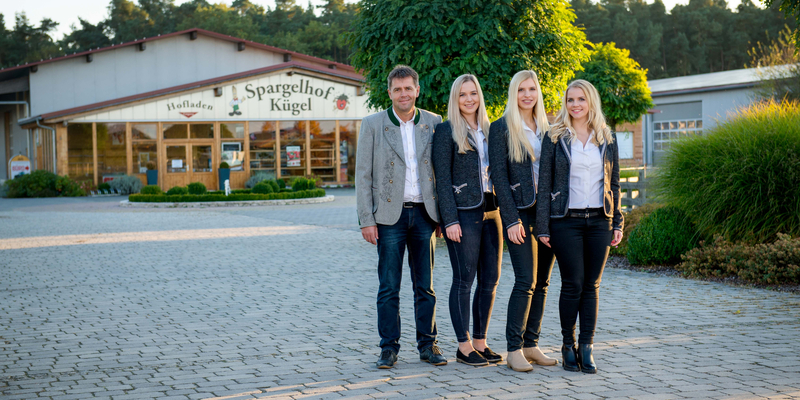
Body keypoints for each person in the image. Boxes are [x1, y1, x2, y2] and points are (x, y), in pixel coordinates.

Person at [355, 65, 447, 369]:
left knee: (425, 286)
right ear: (389, 92)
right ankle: (389, 348)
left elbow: (443, 173)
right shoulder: (372, 124)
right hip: (389, 217)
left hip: (424, 214)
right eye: (397, 89)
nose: (403, 94)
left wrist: (444, 217)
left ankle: (427, 344)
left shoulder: (434, 123)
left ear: (417, 90)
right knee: (388, 286)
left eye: (408, 88)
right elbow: (362, 175)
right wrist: (366, 219)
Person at [535, 79, 624, 374]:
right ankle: (566, 345)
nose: (575, 105)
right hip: (566, 221)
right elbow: (545, 182)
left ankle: (587, 346)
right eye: (570, 100)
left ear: (591, 102)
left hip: (600, 221)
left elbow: (614, 183)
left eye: (581, 100)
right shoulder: (555, 137)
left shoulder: (606, 137)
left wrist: (618, 221)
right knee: (573, 283)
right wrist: (543, 226)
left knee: (592, 285)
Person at [488, 70, 559, 372]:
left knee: (542, 282)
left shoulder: (549, 128)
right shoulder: (500, 128)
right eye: (521, 90)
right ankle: (513, 348)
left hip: (548, 214)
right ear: (513, 94)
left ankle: (531, 344)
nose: (527, 95)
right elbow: (499, 178)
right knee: (525, 280)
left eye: (532, 89)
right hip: (519, 214)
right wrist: (511, 219)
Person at [432, 74, 502, 367]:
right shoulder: (446, 131)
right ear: (455, 99)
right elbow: (442, 180)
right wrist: (449, 220)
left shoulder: (491, 129)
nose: (469, 99)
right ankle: (462, 346)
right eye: (463, 95)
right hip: (463, 213)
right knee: (465, 279)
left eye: (473, 93)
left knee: (491, 279)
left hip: (492, 210)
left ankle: (480, 342)